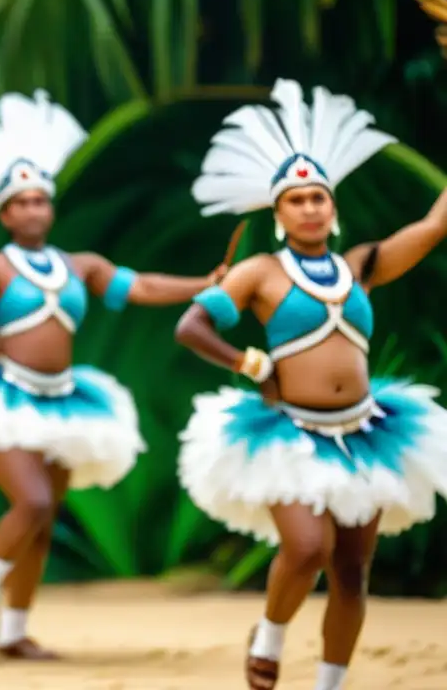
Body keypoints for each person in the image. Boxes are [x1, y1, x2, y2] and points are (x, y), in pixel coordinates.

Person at [0, 89, 225, 660]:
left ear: (51, 209)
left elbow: (141, 286)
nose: (32, 211)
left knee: (43, 523)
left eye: (40, 202)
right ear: (4, 214)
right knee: (33, 504)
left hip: (65, 401)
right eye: (20, 203)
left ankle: (13, 630)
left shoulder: (80, 267)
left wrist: (204, 283)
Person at [174, 78, 447, 690]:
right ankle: (270, 633)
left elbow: (434, 224)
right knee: (305, 547)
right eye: (296, 199)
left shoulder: (362, 268)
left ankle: (330, 681)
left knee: (353, 571)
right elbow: (190, 325)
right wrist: (251, 365)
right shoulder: (260, 272)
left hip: (369, 433)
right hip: (290, 434)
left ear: (334, 206)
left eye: (318, 196)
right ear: (278, 213)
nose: (309, 207)